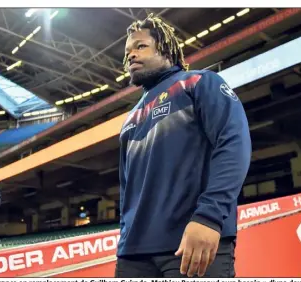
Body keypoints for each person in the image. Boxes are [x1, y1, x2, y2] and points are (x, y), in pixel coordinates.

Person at [116, 14, 251, 278]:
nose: (131, 55)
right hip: (132, 254)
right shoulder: (129, 120)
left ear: (166, 50)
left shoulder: (200, 82)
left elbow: (234, 144)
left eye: (140, 46)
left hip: (191, 242)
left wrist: (209, 217)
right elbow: (127, 188)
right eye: (127, 51)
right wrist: (124, 243)